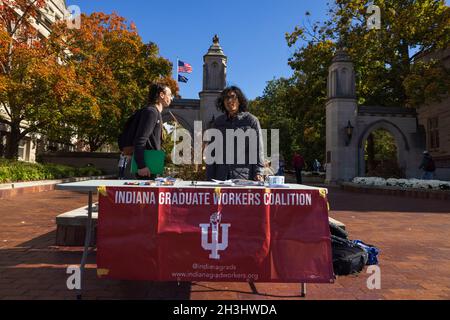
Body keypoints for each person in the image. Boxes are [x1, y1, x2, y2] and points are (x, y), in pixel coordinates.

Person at [206, 86, 264, 182]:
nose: (229, 101)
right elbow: (212, 153)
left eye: (233, 97)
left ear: (239, 100)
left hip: (243, 177)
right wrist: (209, 177)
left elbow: (258, 149)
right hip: (220, 177)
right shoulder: (218, 122)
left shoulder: (251, 121)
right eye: (226, 98)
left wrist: (259, 172)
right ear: (223, 102)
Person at [134, 83, 173, 179]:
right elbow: (140, 140)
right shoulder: (151, 112)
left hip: (152, 164)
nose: (171, 98)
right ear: (161, 95)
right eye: (170, 95)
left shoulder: (155, 112)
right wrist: (141, 165)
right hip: (146, 168)